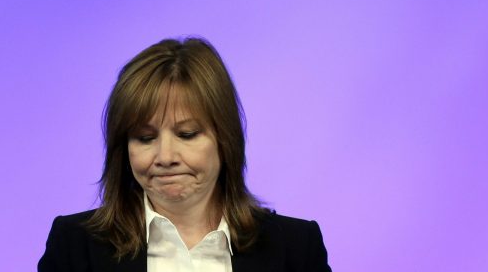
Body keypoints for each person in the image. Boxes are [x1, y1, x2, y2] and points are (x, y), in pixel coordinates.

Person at [38, 37, 332, 271]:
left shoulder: (296, 248)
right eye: (145, 138)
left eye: (187, 134)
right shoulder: (74, 246)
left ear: (225, 138)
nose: (165, 156)